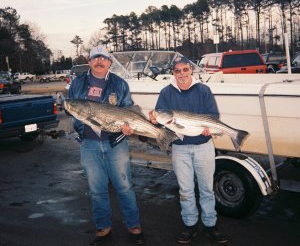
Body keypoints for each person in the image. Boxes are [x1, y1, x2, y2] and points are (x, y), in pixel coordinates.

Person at [68, 46, 145, 246]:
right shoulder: (78, 82)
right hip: (89, 144)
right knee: (97, 189)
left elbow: (128, 107)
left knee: (125, 186)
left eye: (103, 58)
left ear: (109, 62)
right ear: (89, 61)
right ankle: (103, 228)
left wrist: (129, 126)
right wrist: (80, 126)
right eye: (95, 58)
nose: (99, 61)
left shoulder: (119, 83)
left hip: (115, 143)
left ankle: (134, 226)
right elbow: (71, 108)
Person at [149, 56, 228, 244]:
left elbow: (213, 115)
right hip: (180, 149)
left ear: (191, 70)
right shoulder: (166, 93)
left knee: (207, 189)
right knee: (185, 190)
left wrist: (209, 128)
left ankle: (210, 225)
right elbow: (161, 118)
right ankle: (190, 225)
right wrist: (154, 119)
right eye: (177, 71)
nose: (182, 74)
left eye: (185, 69)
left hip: (204, 146)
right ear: (173, 73)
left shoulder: (204, 90)